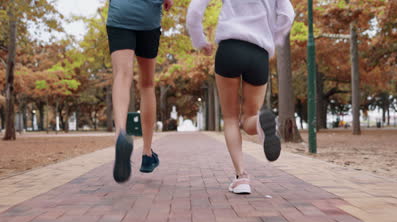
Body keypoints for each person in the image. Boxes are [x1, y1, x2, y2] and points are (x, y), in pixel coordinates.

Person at [186, 0, 295, 194]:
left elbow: (194, 11)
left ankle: (241, 177)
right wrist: (274, 39)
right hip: (259, 52)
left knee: (230, 119)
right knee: (250, 117)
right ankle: (260, 123)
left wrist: (200, 41)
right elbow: (288, 14)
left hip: (230, 48)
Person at [107, 0, 173, 183]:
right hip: (149, 18)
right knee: (147, 84)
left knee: (122, 75)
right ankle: (147, 153)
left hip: (120, 14)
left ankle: (121, 133)